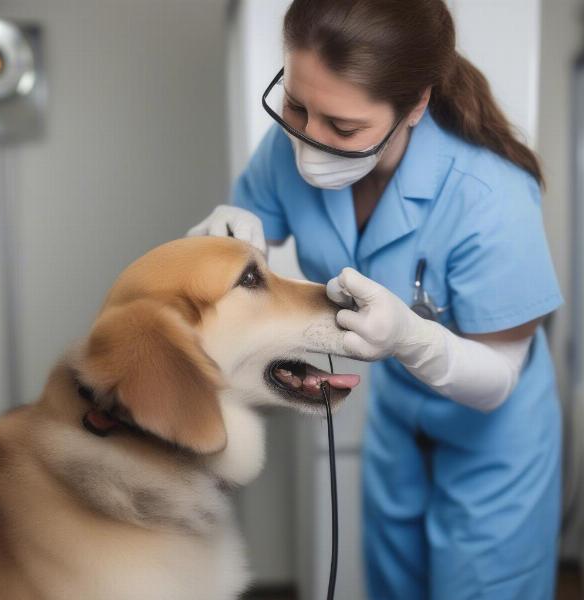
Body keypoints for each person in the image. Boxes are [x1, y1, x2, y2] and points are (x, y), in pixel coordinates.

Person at [187, 1, 563, 598]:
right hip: (396, 416)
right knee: (394, 585)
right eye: (295, 105)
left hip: (493, 437)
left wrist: (413, 339)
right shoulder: (288, 144)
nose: (307, 140)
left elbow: (498, 376)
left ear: (414, 105)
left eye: (342, 128)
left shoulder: (489, 196)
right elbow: (253, 222)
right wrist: (229, 234)